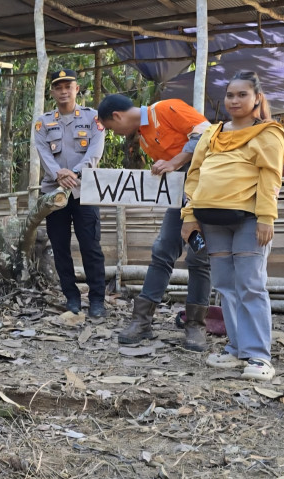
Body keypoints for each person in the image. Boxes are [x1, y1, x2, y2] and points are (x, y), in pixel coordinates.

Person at [180, 71, 284, 380]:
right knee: (225, 285)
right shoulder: (212, 133)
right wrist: (189, 216)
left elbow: (270, 177)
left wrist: (267, 217)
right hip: (212, 219)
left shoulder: (268, 133)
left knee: (250, 285)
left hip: (249, 220)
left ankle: (258, 356)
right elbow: (194, 176)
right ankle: (237, 349)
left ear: (256, 99)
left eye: (242, 94)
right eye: (230, 95)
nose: (234, 100)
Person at [97, 94, 212, 351]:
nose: (116, 134)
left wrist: (174, 162)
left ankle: (195, 325)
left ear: (117, 116)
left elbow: (206, 133)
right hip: (180, 197)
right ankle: (142, 321)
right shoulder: (145, 138)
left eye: (113, 129)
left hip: (207, 192)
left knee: (199, 255)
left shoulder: (167, 108)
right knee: (162, 250)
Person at [34, 69, 107, 318]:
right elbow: (44, 155)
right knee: (60, 247)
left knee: (91, 246)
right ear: (52, 92)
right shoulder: (43, 122)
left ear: (77, 89)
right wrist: (59, 175)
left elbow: (95, 151)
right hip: (54, 194)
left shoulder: (94, 118)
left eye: (68, 86)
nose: (64, 91)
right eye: (58, 87)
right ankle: (72, 298)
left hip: (85, 190)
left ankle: (97, 299)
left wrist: (74, 172)